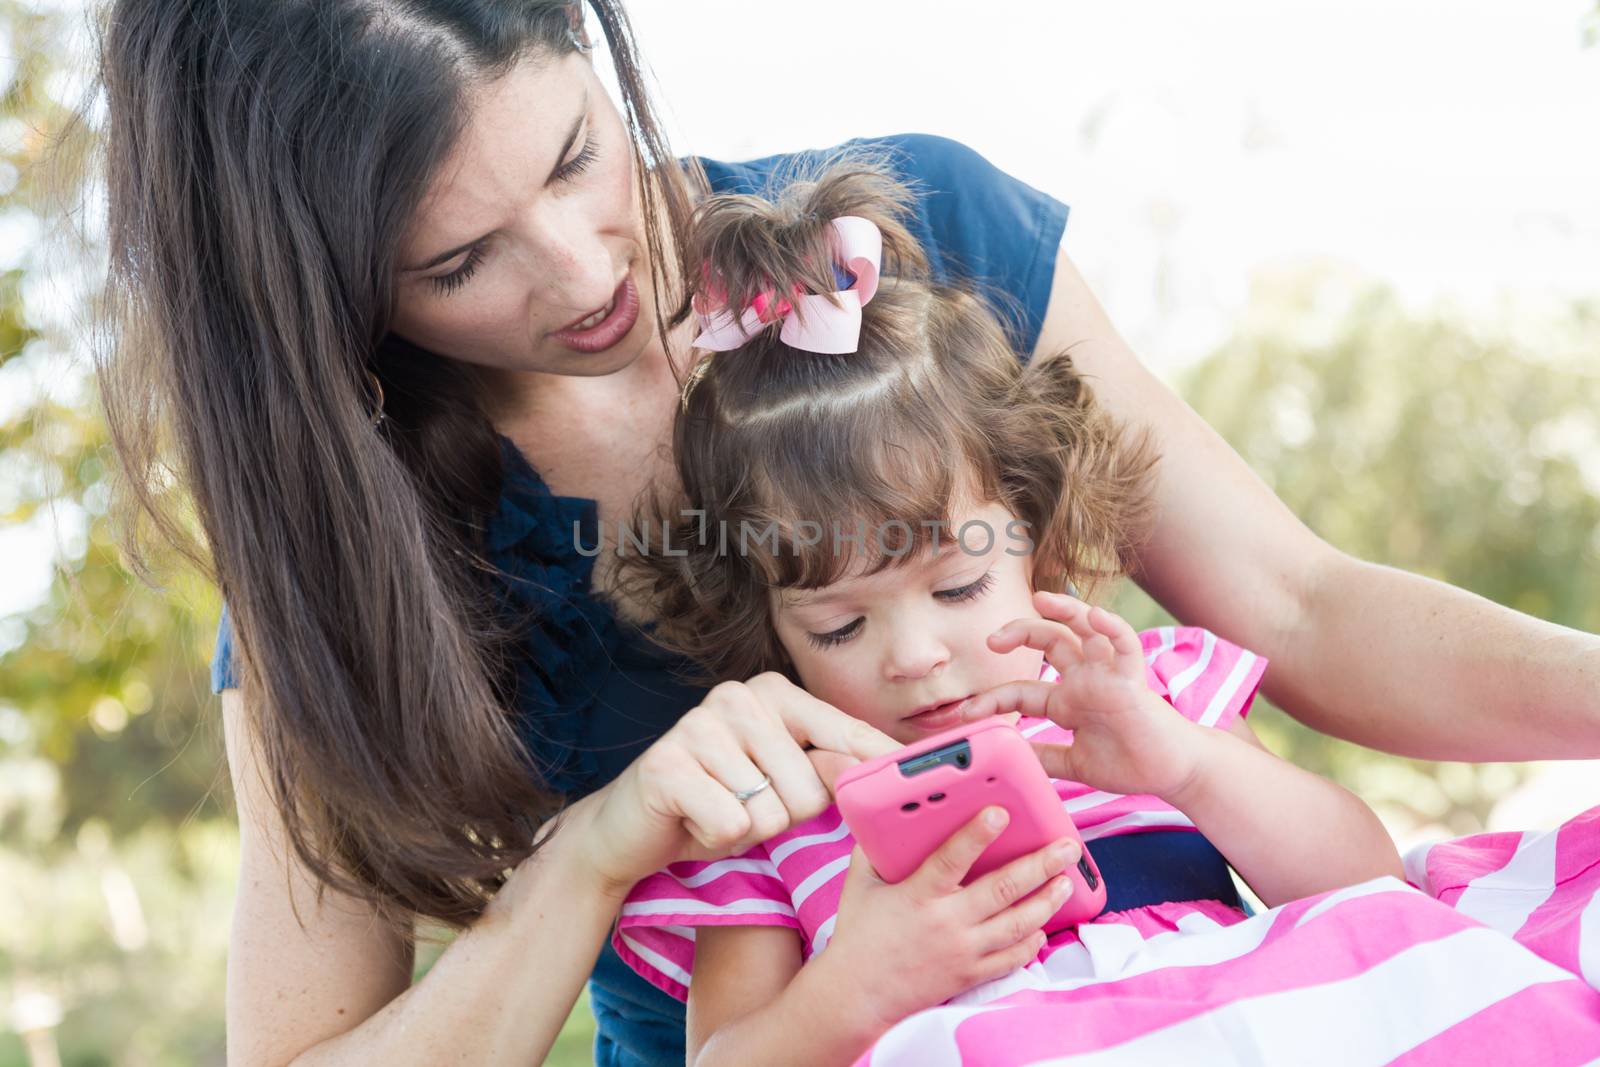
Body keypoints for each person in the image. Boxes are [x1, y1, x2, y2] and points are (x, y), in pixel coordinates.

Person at [90, 2, 1600, 1065]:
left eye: (568, 158)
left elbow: (1304, 606)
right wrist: (601, 851)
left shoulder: (909, 242)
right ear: (333, 293)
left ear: (586, 42)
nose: (579, 274)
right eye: (461, 259)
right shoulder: (349, 551)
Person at [608, 165, 1403, 1064]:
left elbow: (1371, 885)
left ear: (1031, 527)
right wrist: (853, 986)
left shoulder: (1150, 693)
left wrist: (1186, 767)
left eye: (956, 589)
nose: (914, 654)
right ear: (768, 623)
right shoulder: (773, 812)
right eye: (839, 627)